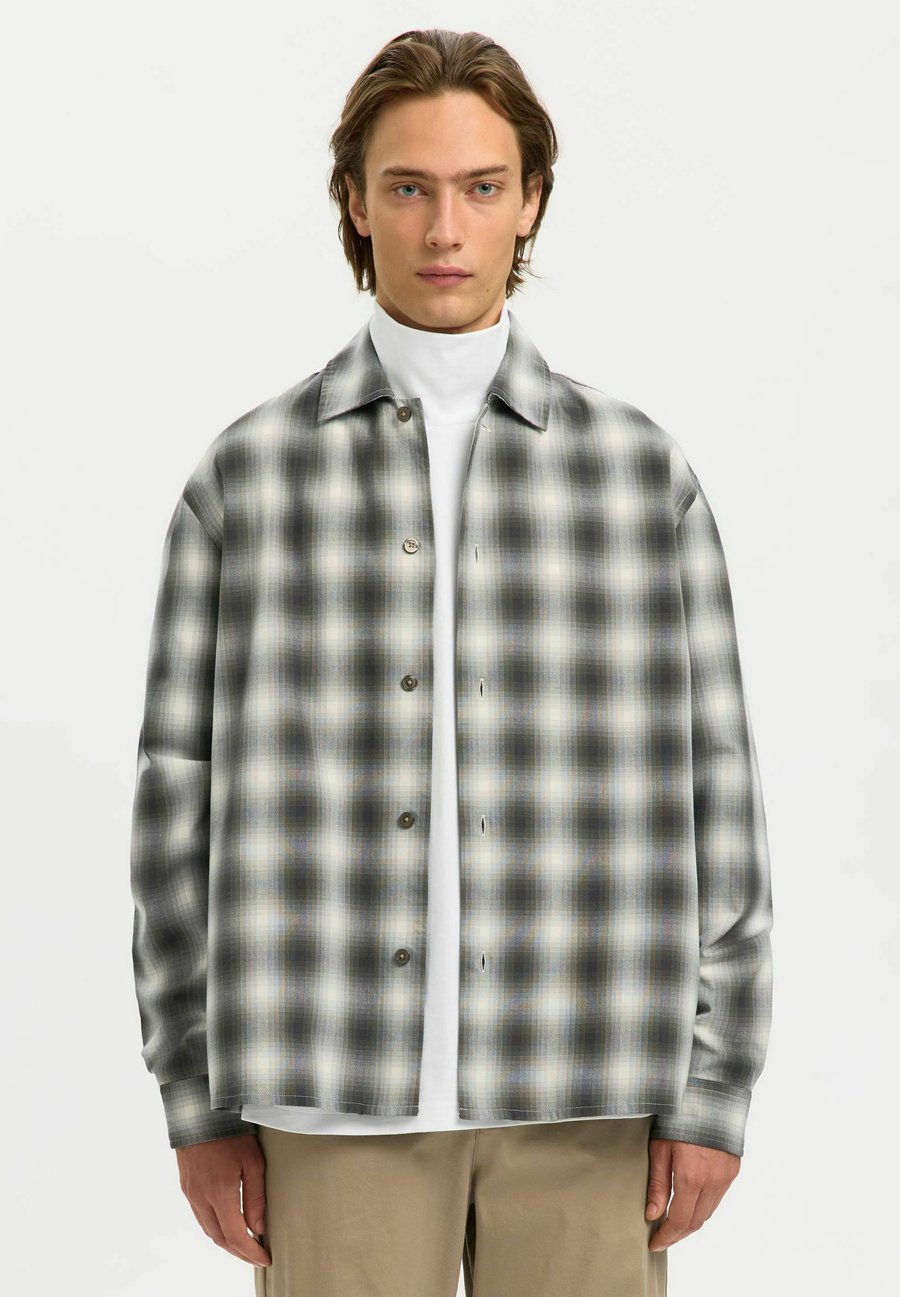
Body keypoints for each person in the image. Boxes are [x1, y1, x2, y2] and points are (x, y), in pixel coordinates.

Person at [129, 27, 774, 1297]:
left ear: (530, 199)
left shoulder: (641, 477)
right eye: (409, 186)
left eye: (482, 187)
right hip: (324, 1083)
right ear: (355, 201)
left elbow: (721, 787)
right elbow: (174, 800)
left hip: (588, 1077)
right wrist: (194, 1094)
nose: (445, 228)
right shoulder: (246, 479)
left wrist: (715, 1082)